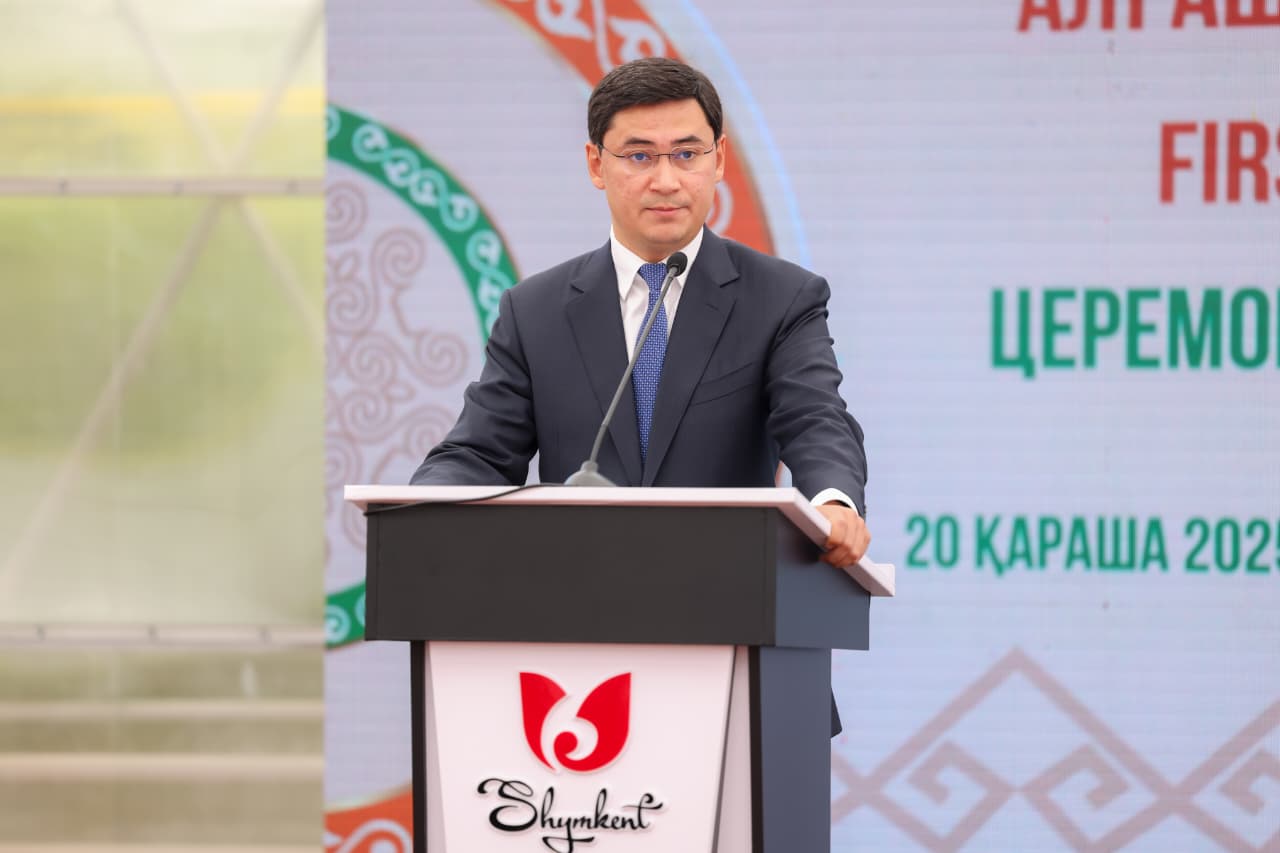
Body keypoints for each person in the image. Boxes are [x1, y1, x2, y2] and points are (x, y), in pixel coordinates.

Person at [411, 57, 870, 732]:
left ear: (719, 160)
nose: (666, 179)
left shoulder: (782, 298)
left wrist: (832, 499)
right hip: (575, 673)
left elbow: (816, 418)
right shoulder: (536, 311)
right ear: (596, 164)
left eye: (687, 153)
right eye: (639, 156)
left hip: (737, 650)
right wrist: (418, 510)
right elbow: (479, 453)